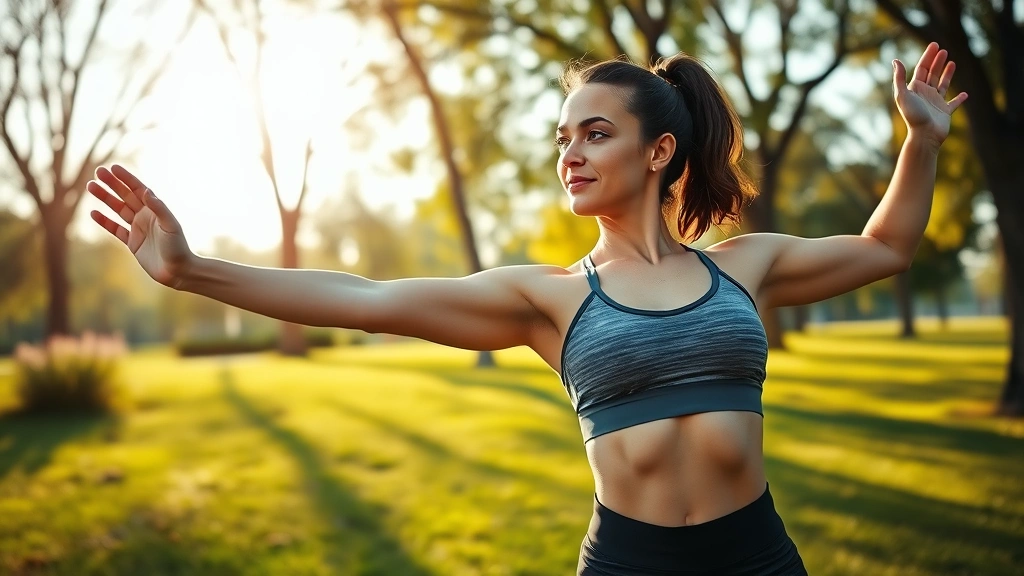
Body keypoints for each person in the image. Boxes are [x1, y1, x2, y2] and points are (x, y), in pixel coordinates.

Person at [88, 42, 966, 575]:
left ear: (660, 151)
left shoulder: (748, 268)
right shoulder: (545, 299)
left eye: (595, 133)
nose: (571, 155)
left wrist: (921, 140)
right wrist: (194, 270)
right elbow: (365, 298)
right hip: (632, 565)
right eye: (562, 138)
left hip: (758, 559)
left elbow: (885, 247)